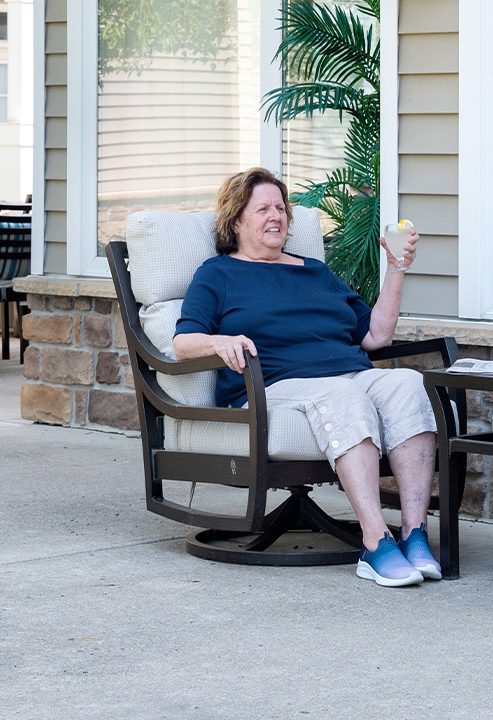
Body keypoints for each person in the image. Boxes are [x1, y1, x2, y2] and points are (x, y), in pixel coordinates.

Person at [174, 167, 438, 588]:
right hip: (275, 386)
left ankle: (415, 533)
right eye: (262, 209)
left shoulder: (314, 269)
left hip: (346, 372)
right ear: (236, 220)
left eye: (280, 207)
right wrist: (218, 342)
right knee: (342, 394)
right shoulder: (218, 273)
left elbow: (375, 335)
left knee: (407, 383)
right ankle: (375, 542)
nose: (275, 216)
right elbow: (183, 342)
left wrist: (396, 268)